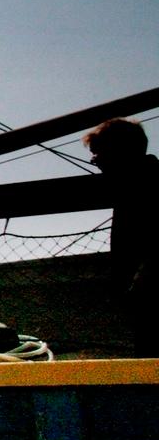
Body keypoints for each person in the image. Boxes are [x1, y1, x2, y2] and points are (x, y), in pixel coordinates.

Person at [84, 117, 158, 356]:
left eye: (98, 154)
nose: (95, 161)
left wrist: (143, 276)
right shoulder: (135, 183)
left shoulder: (144, 184)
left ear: (118, 152)